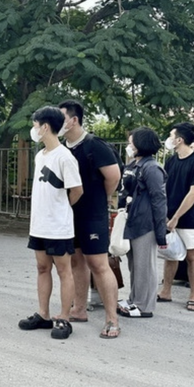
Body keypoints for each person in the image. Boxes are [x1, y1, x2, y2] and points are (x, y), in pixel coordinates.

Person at [16, 106, 83, 339]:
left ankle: (64, 318)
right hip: (39, 225)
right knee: (42, 268)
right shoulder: (40, 155)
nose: (33, 130)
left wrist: (61, 209)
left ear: (45, 127)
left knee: (64, 271)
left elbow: (77, 190)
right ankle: (43, 314)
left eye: (35, 126)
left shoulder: (65, 157)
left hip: (59, 227)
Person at [59, 100, 122, 339]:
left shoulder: (94, 145)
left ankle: (111, 319)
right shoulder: (63, 148)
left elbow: (113, 177)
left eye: (61, 117)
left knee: (98, 264)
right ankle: (79, 309)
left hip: (93, 214)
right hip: (70, 213)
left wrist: (100, 198)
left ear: (74, 120)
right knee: (76, 262)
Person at [157, 123, 194, 312]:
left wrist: (177, 216)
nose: (169, 139)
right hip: (168, 214)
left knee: (191, 255)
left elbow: (193, 193)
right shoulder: (171, 161)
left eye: (171, 135)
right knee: (171, 253)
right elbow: (163, 187)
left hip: (188, 217)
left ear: (179, 139)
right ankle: (166, 290)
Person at [118, 127, 167, 319]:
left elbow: (159, 199)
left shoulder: (152, 168)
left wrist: (161, 231)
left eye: (132, 142)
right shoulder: (134, 165)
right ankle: (134, 299)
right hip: (133, 221)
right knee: (135, 265)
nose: (130, 146)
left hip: (146, 223)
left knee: (145, 266)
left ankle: (144, 306)